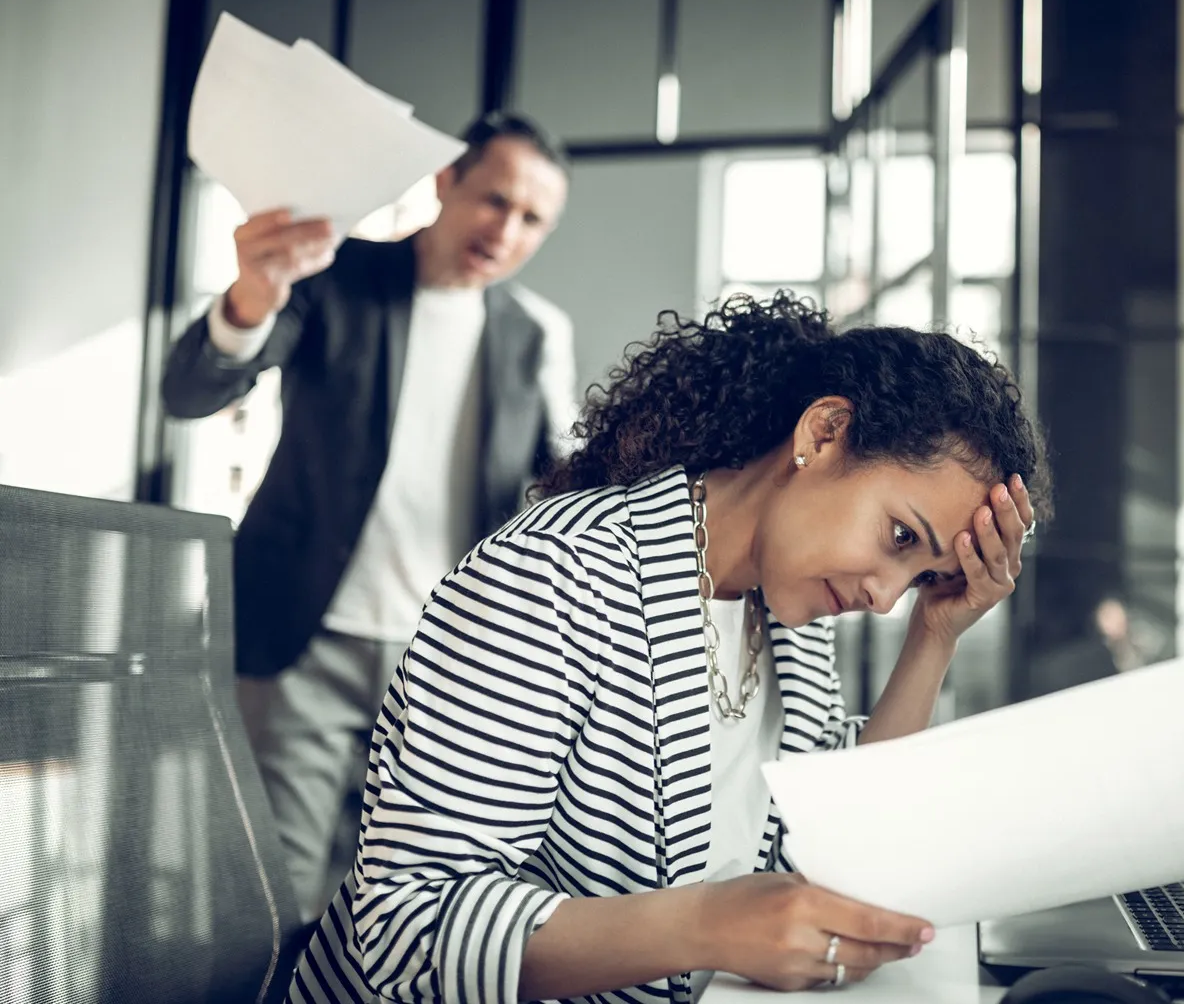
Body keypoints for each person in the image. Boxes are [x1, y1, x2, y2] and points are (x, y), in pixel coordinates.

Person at [288, 292, 1053, 1003]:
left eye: (921, 577)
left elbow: (829, 844)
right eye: (899, 537)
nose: (885, 597)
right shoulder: (557, 579)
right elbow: (405, 926)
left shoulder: (784, 621)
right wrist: (709, 926)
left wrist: (935, 634)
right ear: (823, 434)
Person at [161, 110, 578, 922]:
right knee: (272, 886)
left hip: (451, 653)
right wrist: (251, 298)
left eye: (533, 220)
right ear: (445, 182)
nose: (507, 230)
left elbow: (562, 479)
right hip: (303, 634)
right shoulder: (333, 274)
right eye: (495, 200)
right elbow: (192, 391)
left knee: (408, 899)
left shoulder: (536, 334)